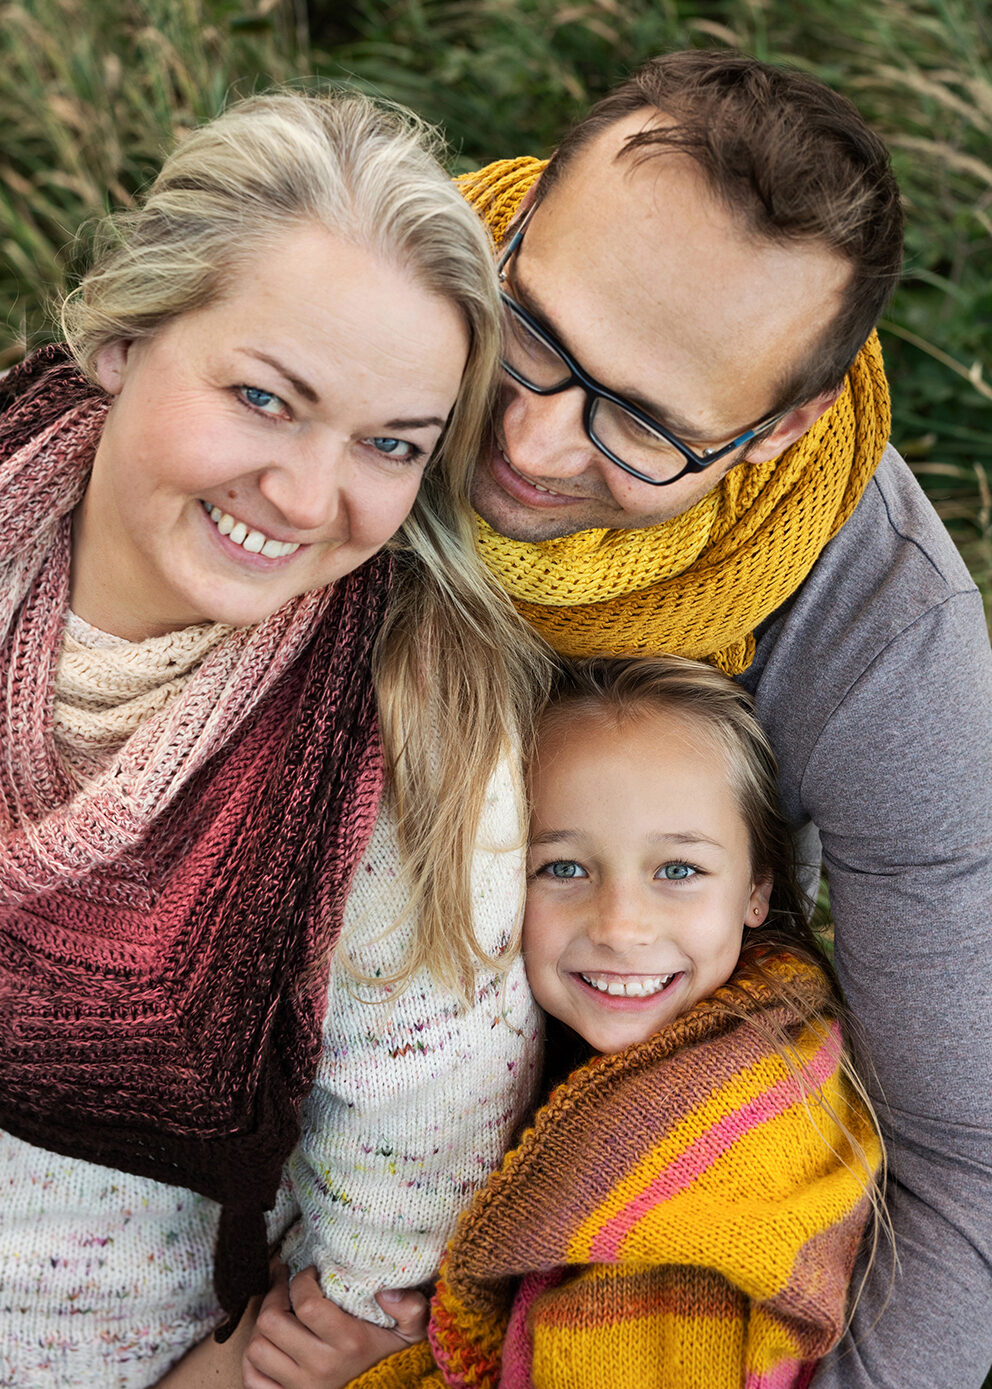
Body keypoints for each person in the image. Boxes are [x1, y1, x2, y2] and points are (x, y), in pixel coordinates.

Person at [449, 51, 992, 1388]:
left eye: (639, 422)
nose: (530, 442)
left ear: (773, 431)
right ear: (517, 223)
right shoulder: (346, 310)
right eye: (535, 334)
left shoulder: (885, 634)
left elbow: (970, 1163)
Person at [0, 89, 547, 1386]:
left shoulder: (407, 749)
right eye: (261, 396)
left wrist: (242, 1375)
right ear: (131, 335)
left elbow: (408, 1190)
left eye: (390, 443)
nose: (309, 497)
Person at [240, 654, 885, 1389]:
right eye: (564, 868)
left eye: (677, 870)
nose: (619, 925)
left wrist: (387, 1373)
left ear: (757, 889)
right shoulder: (724, 1043)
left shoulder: (685, 1204)